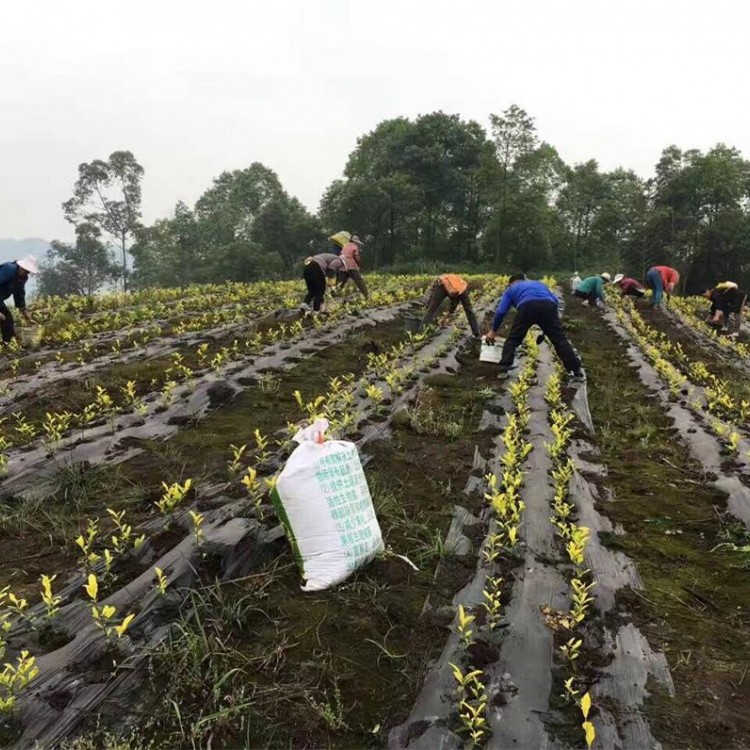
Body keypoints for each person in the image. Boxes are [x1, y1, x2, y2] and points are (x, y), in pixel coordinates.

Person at [485, 274, 584, 380]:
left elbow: (501, 311)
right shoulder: (538, 284)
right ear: (523, 280)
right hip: (548, 306)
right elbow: (555, 300)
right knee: (560, 340)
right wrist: (549, 327)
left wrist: (493, 331)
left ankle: (504, 368)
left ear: (510, 283)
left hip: (527, 306)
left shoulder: (510, 289)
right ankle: (576, 371)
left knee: (513, 339)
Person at [0, 255, 38, 345]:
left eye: (28, 271)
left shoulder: (22, 278)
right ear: (21, 266)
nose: (25, 272)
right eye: (24, 269)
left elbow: (19, 295)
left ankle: (8, 344)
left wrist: (26, 316)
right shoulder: (9, 270)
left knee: (7, 318)